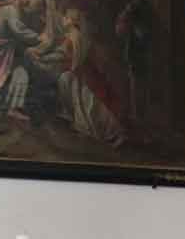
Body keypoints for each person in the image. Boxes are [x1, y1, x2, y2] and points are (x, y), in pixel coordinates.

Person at [43, 8, 125, 145]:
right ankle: (104, 129)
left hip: (82, 73)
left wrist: (45, 58)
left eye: (66, 17)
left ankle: (111, 131)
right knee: (84, 97)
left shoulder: (74, 36)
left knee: (89, 101)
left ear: (72, 21)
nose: (63, 19)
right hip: (83, 71)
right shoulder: (74, 35)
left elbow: (69, 56)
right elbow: (64, 54)